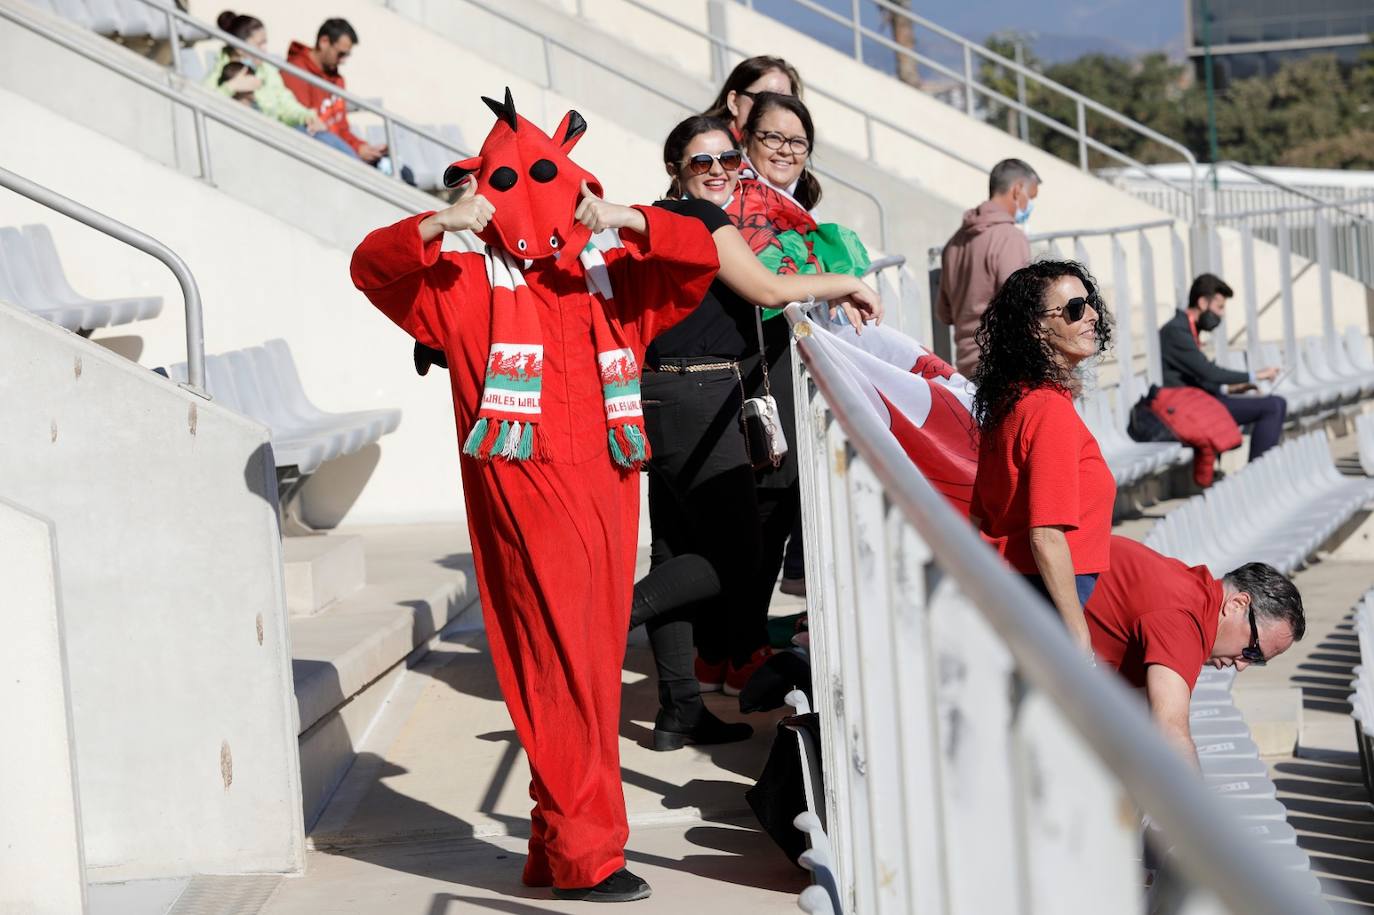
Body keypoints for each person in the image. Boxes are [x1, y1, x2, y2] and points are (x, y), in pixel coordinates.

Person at [351, 90, 720, 903]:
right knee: (556, 664)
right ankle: (587, 852)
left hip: (610, 485)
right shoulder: (462, 280)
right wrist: (440, 223)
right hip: (524, 489)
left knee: (589, 665)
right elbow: (372, 267)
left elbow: (698, 255)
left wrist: (623, 215)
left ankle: (561, 846)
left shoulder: (611, 269)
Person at [634, 114, 880, 749]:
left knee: (673, 547)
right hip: (700, 393)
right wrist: (849, 280)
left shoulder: (661, 221)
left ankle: (679, 710)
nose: (718, 171)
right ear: (676, 171)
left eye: (726, 161)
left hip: (661, 391)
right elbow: (768, 288)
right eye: (701, 162)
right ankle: (609, 616)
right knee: (737, 559)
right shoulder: (706, 220)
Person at [970, 259, 1115, 652]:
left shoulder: (1013, 398)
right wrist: (1078, 635)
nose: (1091, 316)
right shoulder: (1048, 409)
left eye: (1090, 304)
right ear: (1038, 329)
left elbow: (980, 513)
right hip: (1042, 593)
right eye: (1073, 310)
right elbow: (1047, 536)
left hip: (1013, 589)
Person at [1086, 536, 1304, 766]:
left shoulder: (1194, 597)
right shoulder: (1184, 621)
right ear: (1237, 604)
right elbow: (1171, 734)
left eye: (1257, 660)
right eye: (1253, 651)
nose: (1241, 665)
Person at [1161, 273, 1286, 461]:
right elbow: (1209, 373)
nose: (1222, 314)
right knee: (1273, 406)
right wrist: (1256, 375)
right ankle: (1256, 475)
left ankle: (1261, 472)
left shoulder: (1187, 329)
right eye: (1219, 307)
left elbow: (1200, 377)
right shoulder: (1176, 331)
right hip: (1187, 408)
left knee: (1276, 402)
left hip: (1202, 401)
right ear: (1203, 303)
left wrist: (1236, 387)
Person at [936, 158, 1040, 377]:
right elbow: (1021, 308)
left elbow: (944, 314)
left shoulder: (954, 242)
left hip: (966, 368)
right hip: (1005, 368)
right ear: (1017, 190)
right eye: (1031, 198)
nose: (1030, 206)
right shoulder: (1010, 238)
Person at [205, 11, 360, 156]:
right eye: (260, 44)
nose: (265, 50)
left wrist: (306, 116)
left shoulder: (267, 70)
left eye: (265, 43)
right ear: (240, 48)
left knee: (323, 136)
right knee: (321, 140)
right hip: (244, 142)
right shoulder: (218, 74)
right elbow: (202, 103)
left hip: (274, 136)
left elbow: (286, 103)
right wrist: (231, 87)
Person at [283, 18, 387, 165]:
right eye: (340, 54)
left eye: (347, 55)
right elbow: (305, 125)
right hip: (321, 156)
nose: (343, 61)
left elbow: (341, 128)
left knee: (400, 169)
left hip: (339, 150)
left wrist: (361, 148)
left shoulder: (337, 80)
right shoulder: (296, 72)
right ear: (324, 42)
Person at [702, 55, 802, 142]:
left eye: (787, 104)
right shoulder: (709, 150)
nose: (775, 111)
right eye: (765, 99)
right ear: (733, 102)